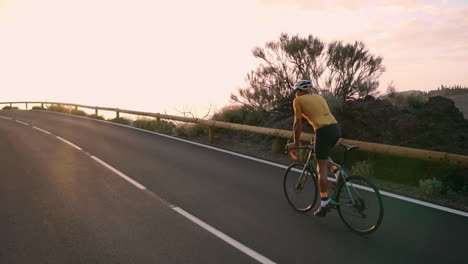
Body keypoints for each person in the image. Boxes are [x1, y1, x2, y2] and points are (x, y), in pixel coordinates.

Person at [286, 80, 341, 217]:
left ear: (299, 91)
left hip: (323, 131)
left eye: (296, 91)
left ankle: (324, 204)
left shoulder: (297, 101)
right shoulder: (320, 97)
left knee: (320, 167)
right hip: (336, 129)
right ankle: (337, 172)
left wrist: (296, 143)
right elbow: (320, 116)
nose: (296, 94)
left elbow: (297, 124)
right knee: (321, 155)